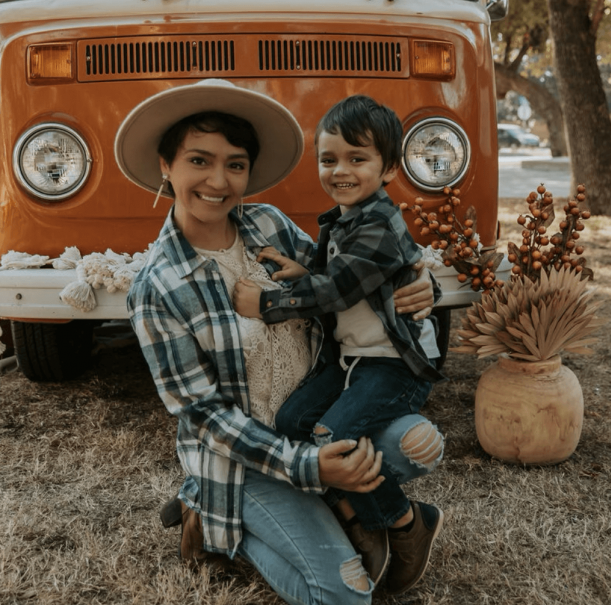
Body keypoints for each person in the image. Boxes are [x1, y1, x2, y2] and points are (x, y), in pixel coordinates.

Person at [116, 79, 445, 605]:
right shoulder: (156, 288)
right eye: (199, 161)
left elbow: (350, 272)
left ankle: (373, 513)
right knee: (346, 595)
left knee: (417, 442)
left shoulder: (266, 223)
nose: (218, 181)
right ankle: (219, 519)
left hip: (313, 417)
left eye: (236, 164)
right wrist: (307, 465)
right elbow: (204, 415)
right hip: (249, 462)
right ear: (165, 165)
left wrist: (418, 278)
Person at [233, 94, 445, 595]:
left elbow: (339, 288)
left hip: (393, 366)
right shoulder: (344, 220)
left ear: (390, 168)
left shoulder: (378, 224)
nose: (340, 170)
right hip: (351, 360)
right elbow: (343, 279)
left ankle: (403, 522)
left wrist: (267, 305)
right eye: (329, 159)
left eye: (357, 158)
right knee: (291, 422)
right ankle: (354, 510)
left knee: (332, 435)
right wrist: (307, 270)